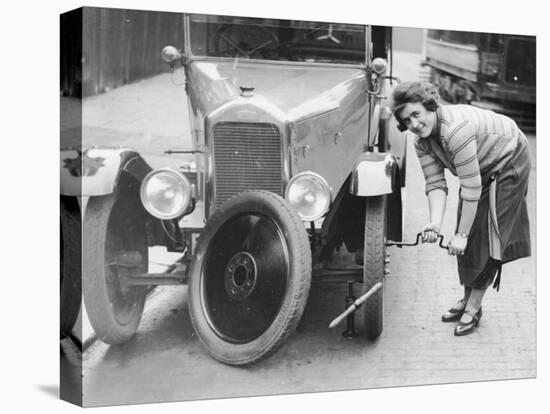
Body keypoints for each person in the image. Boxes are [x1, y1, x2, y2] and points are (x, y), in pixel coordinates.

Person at [391, 81, 531, 336]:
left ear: (429, 106)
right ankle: (467, 299)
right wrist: (435, 223)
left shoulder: (455, 130)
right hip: (481, 170)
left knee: (485, 236)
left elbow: (471, 189)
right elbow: (435, 184)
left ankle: (474, 306)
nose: (413, 124)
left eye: (416, 114)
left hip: (509, 160)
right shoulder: (421, 143)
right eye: (406, 121)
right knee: (463, 227)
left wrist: (463, 236)